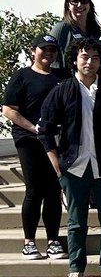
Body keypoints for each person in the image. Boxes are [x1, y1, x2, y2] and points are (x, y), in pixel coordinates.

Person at [38, 39, 101, 277]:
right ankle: (76, 269)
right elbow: (44, 129)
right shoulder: (62, 89)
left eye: (95, 58)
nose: (89, 62)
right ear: (74, 60)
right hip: (73, 165)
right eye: (84, 57)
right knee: (76, 222)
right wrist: (56, 164)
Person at [3, 35, 66, 260]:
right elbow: (8, 110)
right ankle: (29, 242)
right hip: (28, 140)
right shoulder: (22, 76)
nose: (48, 53)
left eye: (52, 50)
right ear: (33, 51)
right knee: (34, 189)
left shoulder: (62, 77)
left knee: (53, 190)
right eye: (43, 49)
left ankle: (53, 240)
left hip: (55, 141)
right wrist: (34, 128)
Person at [48, 0, 101, 70]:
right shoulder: (61, 28)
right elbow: (51, 58)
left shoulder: (94, 30)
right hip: (65, 76)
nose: (80, 5)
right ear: (68, 5)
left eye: (84, 1)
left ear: (89, 4)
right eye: (74, 1)